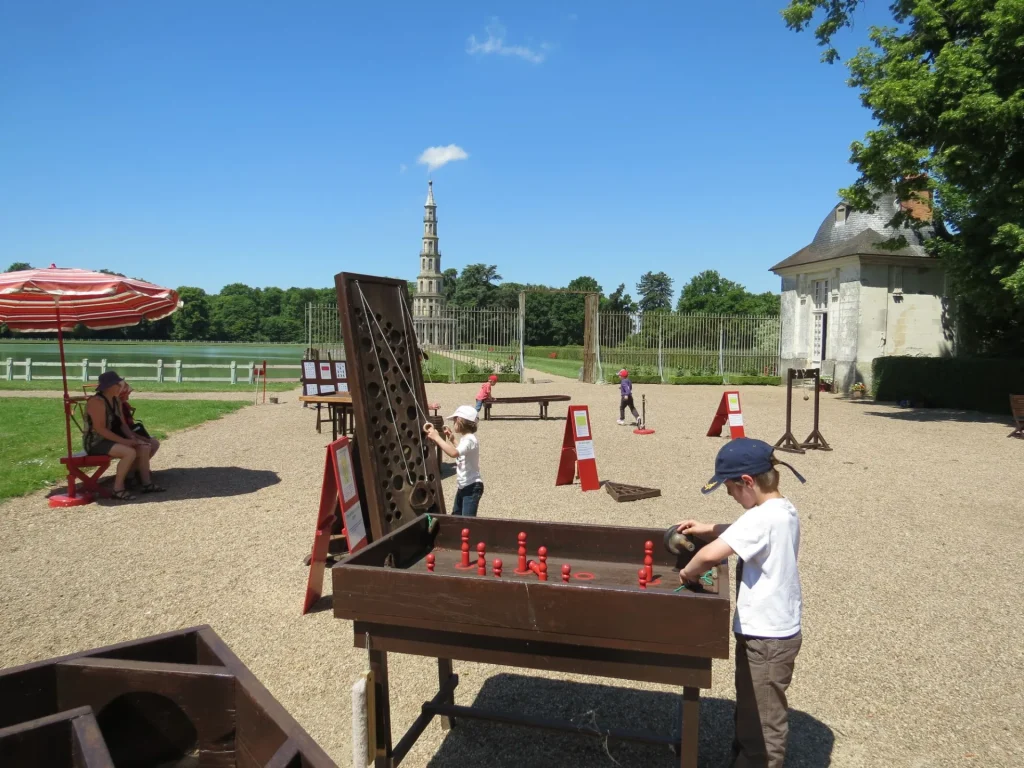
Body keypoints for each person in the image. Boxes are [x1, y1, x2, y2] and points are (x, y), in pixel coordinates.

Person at [675, 438, 806, 768]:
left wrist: (688, 574)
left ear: (747, 482)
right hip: (778, 633)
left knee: (763, 725)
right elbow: (742, 531)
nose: (730, 495)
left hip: (766, 639)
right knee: (752, 708)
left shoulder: (759, 519)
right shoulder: (782, 510)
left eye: (730, 488)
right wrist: (708, 527)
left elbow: (708, 555)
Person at [83, 371, 165, 501]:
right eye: (118, 384)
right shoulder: (96, 402)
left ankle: (146, 484)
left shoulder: (116, 401)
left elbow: (122, 424)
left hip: (111, 439)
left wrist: (133, 439)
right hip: (96, 443)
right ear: (109, 386)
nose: (121, 386)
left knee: (144, 447)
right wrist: (124, 442)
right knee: (129, 452)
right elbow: (100, 429)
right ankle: (118, 489)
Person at [423, 405, 483, 517]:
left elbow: (454, 453)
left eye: (454, 421)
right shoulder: (467, 439)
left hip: (472, 487)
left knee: (467, 520)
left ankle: (469, 534)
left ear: (460, 421)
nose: (453, 423)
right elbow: (461, 452)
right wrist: (452, 439)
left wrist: (437, 437)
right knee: (456, 515)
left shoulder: (470, 439)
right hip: (464, 486)